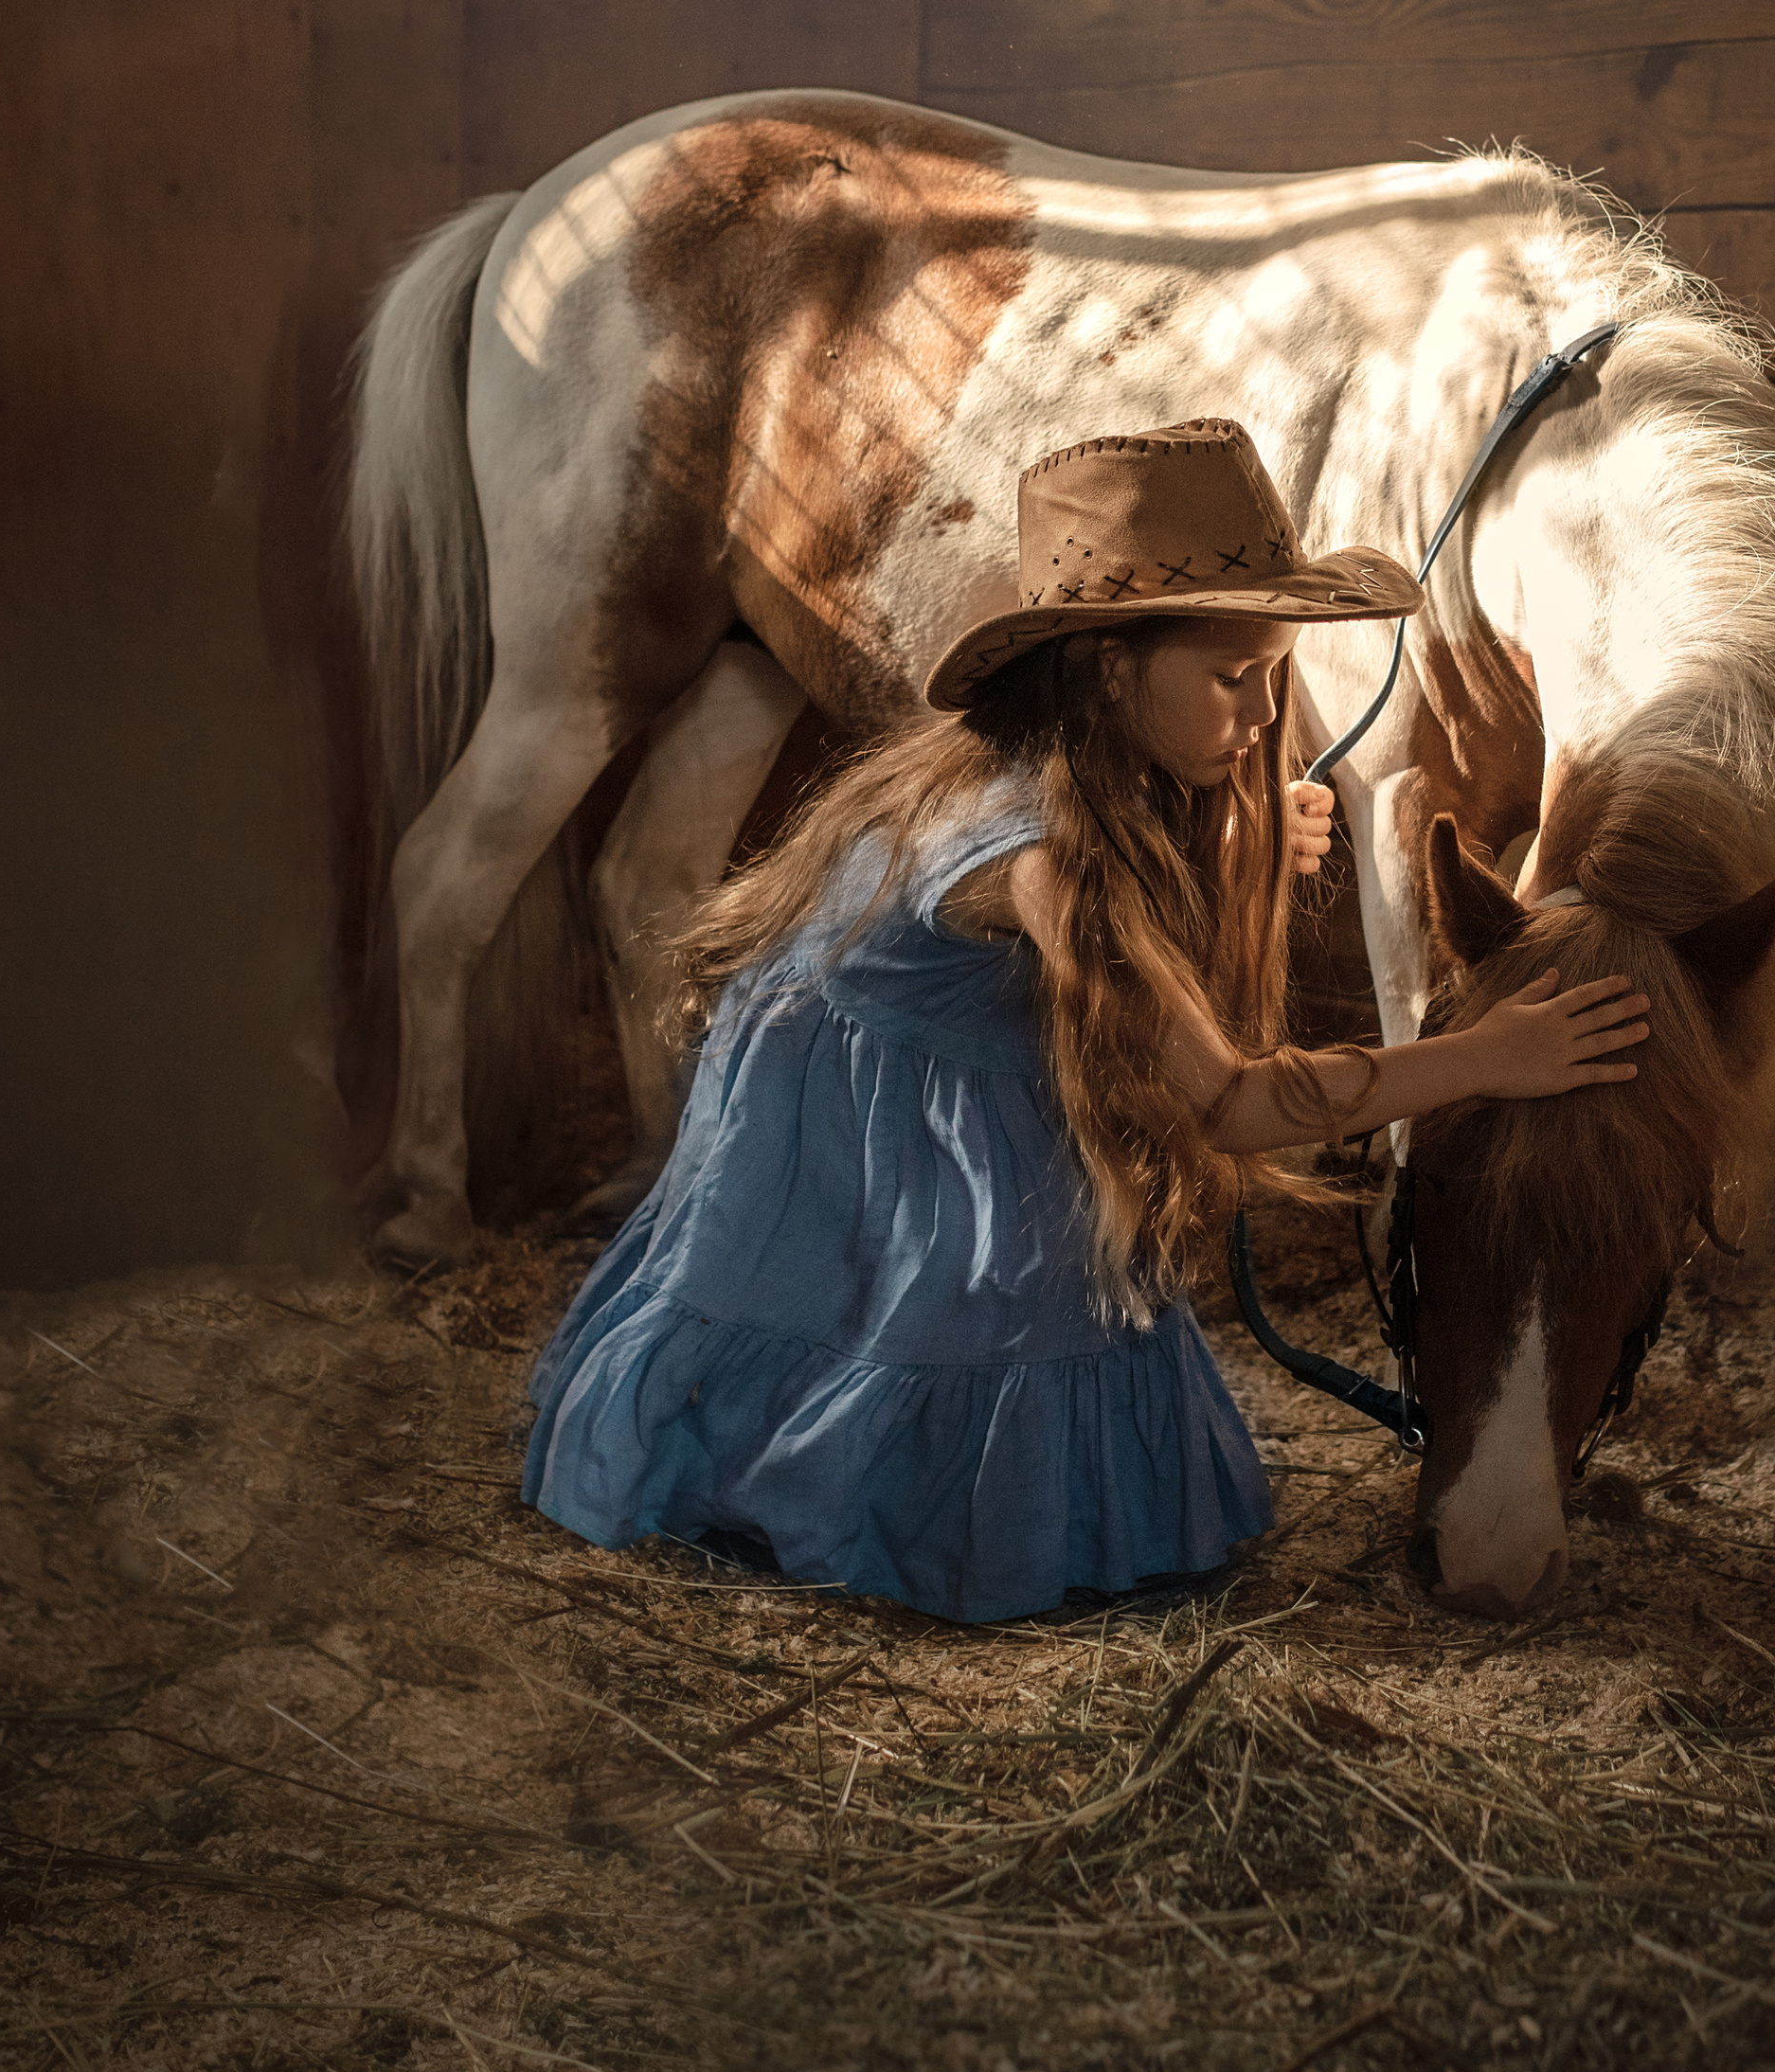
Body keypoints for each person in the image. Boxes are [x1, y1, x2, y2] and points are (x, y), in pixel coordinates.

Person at [523, 419, 1648, 1622]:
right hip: (873, 1099)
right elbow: (1228, 1099)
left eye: (1274, 676)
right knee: (971, 1313)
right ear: (1112, 668)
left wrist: (1226, 856)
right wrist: (1488, 1056)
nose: (1266, 718)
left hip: (942, 1050)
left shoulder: (1064, 769)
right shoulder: (1052, 860)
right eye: (1234, 679)